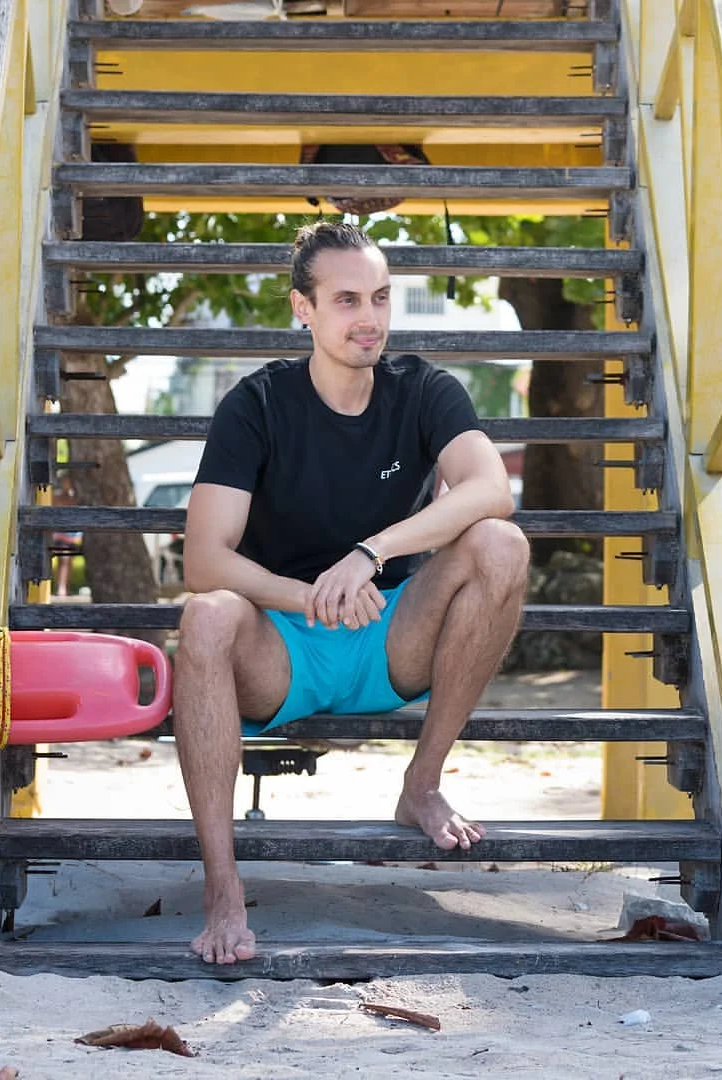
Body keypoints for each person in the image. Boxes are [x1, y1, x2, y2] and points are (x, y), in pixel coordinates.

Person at [173, 221, 530, 965]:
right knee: (205, 618)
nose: (368, 318)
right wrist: (306, 596)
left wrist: (372, 554)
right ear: (303, 309)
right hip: (282, 650)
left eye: (379, 297)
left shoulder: (422, 389)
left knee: (501, 544)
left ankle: (422, 785)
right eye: (345, 300)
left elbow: (492, 488)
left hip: (389, 637)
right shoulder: (257, 405)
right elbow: (204, 559)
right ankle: (224, 890)